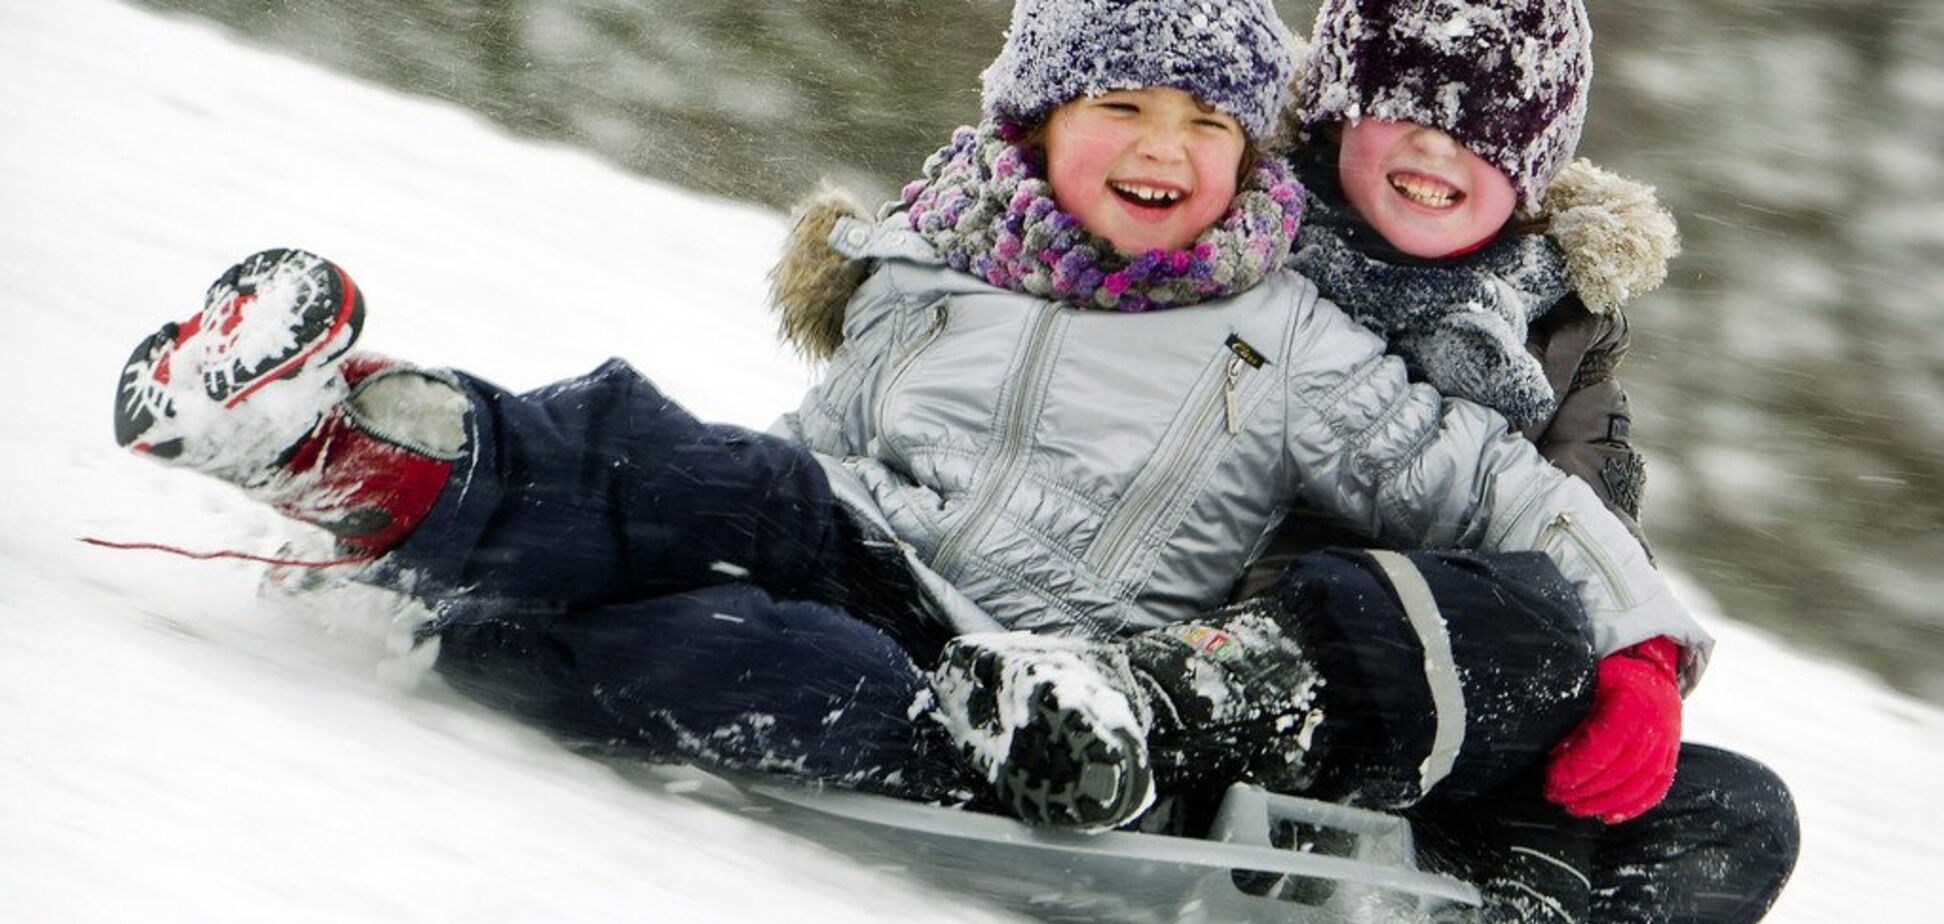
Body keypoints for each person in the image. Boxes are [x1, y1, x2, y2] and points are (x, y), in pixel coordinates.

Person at [110, 0, 1780, 919]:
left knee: (799, 669)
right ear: (1032, 126)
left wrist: (1638, 647)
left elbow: (1520, 503)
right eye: (1119, 107)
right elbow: (809, 449)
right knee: (673, 462)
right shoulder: (932, 264)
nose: (1161, 147)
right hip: (863, 532)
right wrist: (678, 504)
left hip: (1056, 659)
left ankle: (500, 637)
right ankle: (344, 440)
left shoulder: (1290, 333)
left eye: (1202, 119)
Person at [899, 1, 1798, 921]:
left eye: (1491, 132)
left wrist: (1640, 660)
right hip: (1223, 644)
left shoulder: (1562, 328)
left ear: (1533, 171)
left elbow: (1585, 513)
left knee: (1738, 812)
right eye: (1405, 104)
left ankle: (1477, 895)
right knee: (1423, 605)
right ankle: (1150, 740)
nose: (1440, 149)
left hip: (1453, 692)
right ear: (1335, 108)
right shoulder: (1238, 225)